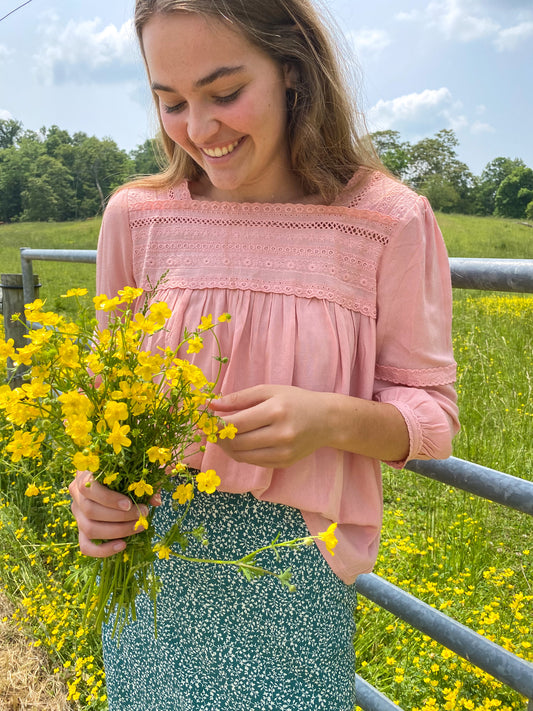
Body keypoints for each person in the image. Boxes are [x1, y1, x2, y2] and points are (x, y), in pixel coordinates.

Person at [69, 1, 460, 709]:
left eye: (223, 93)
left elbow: (431, 416)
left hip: (290, 574)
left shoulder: (384, 221)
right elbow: (103, 397)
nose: (198, 128)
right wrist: (89, 486)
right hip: (149, 570)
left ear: (291, 70)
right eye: (171, 101)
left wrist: (331, 419)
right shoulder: (136, 216)